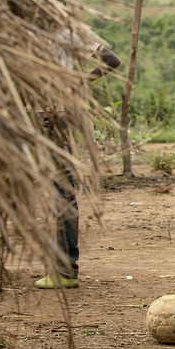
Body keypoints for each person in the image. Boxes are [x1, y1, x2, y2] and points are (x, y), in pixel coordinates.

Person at [35, 35, 121, 289]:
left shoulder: (59, 30)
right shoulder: (71, 29)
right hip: (53, 116)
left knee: (61, 191)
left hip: (49, 118)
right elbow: (110, 59)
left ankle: (64, 268)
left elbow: (111, 60)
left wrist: (78, 83)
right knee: (60, 189)